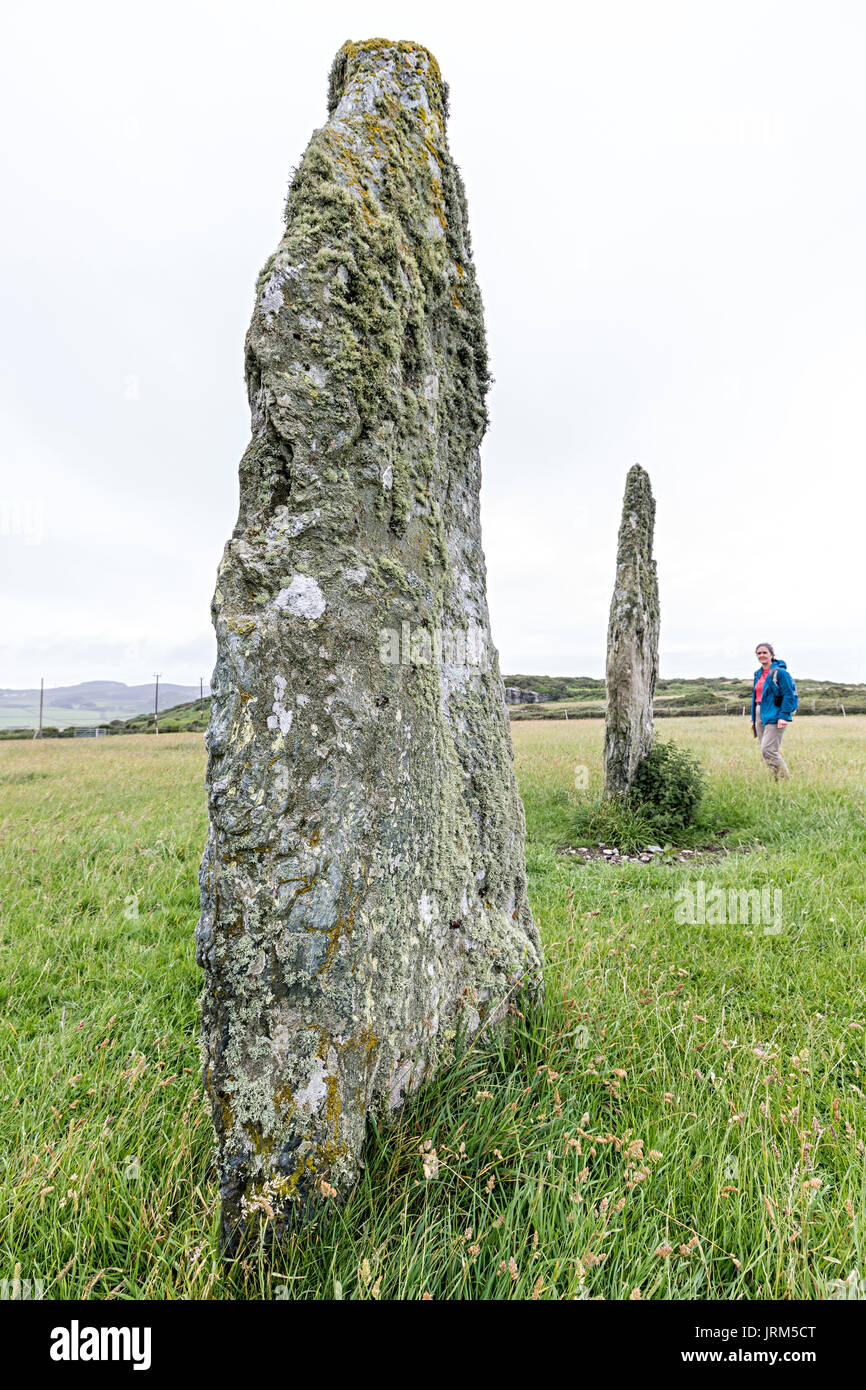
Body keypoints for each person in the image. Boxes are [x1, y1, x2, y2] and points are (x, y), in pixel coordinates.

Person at [750, 642, 797, 780]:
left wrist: (784, 716)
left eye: (765, 652)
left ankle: (784, 780)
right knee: (765, 750)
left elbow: (789, 695)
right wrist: (753, 716)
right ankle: (776, 778)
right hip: (760, 712)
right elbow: (756, 696)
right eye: (759, 653)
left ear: (772, 655)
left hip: (775, 713)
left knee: (769, 749)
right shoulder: (757, 674)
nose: (762, 655)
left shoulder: (780, 673)